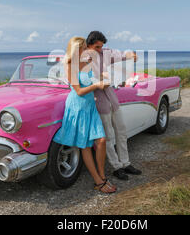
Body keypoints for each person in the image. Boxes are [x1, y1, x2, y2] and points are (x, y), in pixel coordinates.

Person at [53, 37, 116, 193]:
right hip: (77, 107)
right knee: (85, 146)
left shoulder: (87, 61)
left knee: (101, 140)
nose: (85, 51)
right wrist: (96, 85)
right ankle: (98, 181)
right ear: (75, 50)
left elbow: (92, 80)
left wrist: (103, 79)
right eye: (81, 48)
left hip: (90, 106)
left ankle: (102, 176)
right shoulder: (69, 65)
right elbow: (79, 91)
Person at [86, 31, 142, 181]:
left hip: (112, 99)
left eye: (101, 46)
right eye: (97, 47)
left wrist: (132, 55)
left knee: (122, 131)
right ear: (89, 45)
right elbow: (82, 81)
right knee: (109, 136)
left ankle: (126, 163)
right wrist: (98, 80)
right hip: (100, 102)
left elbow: (123, 55)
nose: (100, 50)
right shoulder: (84, 59)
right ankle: (116, 167)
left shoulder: (105, 53)